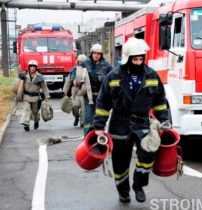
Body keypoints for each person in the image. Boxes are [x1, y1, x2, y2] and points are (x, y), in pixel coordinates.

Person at [93, 37, 171, 203]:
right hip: (119, 124)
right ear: (127, 58)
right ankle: (123, 191)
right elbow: (103, 102)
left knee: (148, 154)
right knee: (120, 162)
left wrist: (164, 121)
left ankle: (138, 185)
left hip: (142, 122)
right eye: (135, 59)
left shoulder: (151, 75)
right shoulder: (113, 76)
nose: (138, 62)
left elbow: (160, 101)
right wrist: (99, 126)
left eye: (141, 58)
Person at [83, 43, 112, 135]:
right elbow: (76, 78)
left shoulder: (107, 66)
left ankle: (98, 139)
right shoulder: (85, 63)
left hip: (101, 96)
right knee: (88, 119)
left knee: (99, 118)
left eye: (98, 53)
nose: (96, 55)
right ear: (91, 53)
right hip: (88, 96)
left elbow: (113, 79)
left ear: (101, 55)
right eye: (94, 53)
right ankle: (86, 138)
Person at [19, 60, 50, 131]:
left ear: (36, 68)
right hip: (26, 96)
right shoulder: (24, 75)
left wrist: (47, 96)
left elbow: (44, 87)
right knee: (26, 109)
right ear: (29, 67)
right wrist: (19, 95)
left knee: (35, 112)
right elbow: (20, 85)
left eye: (34, 67)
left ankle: (36, 121)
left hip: (35, 97)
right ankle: (26, 123)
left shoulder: (39, 77)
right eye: (31, 66)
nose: (32, 68)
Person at [63, 54, 91, 127]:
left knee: (83, 109)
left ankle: (82, 122)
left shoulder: (88, 70)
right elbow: (68, 81)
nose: (81, 63)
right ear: (77, 62)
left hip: (84, 92)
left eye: (82, 62)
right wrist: (65, 92)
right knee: (74, 106)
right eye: (80, 61)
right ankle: (76, 117)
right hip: (75, 91)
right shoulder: (73, 70)